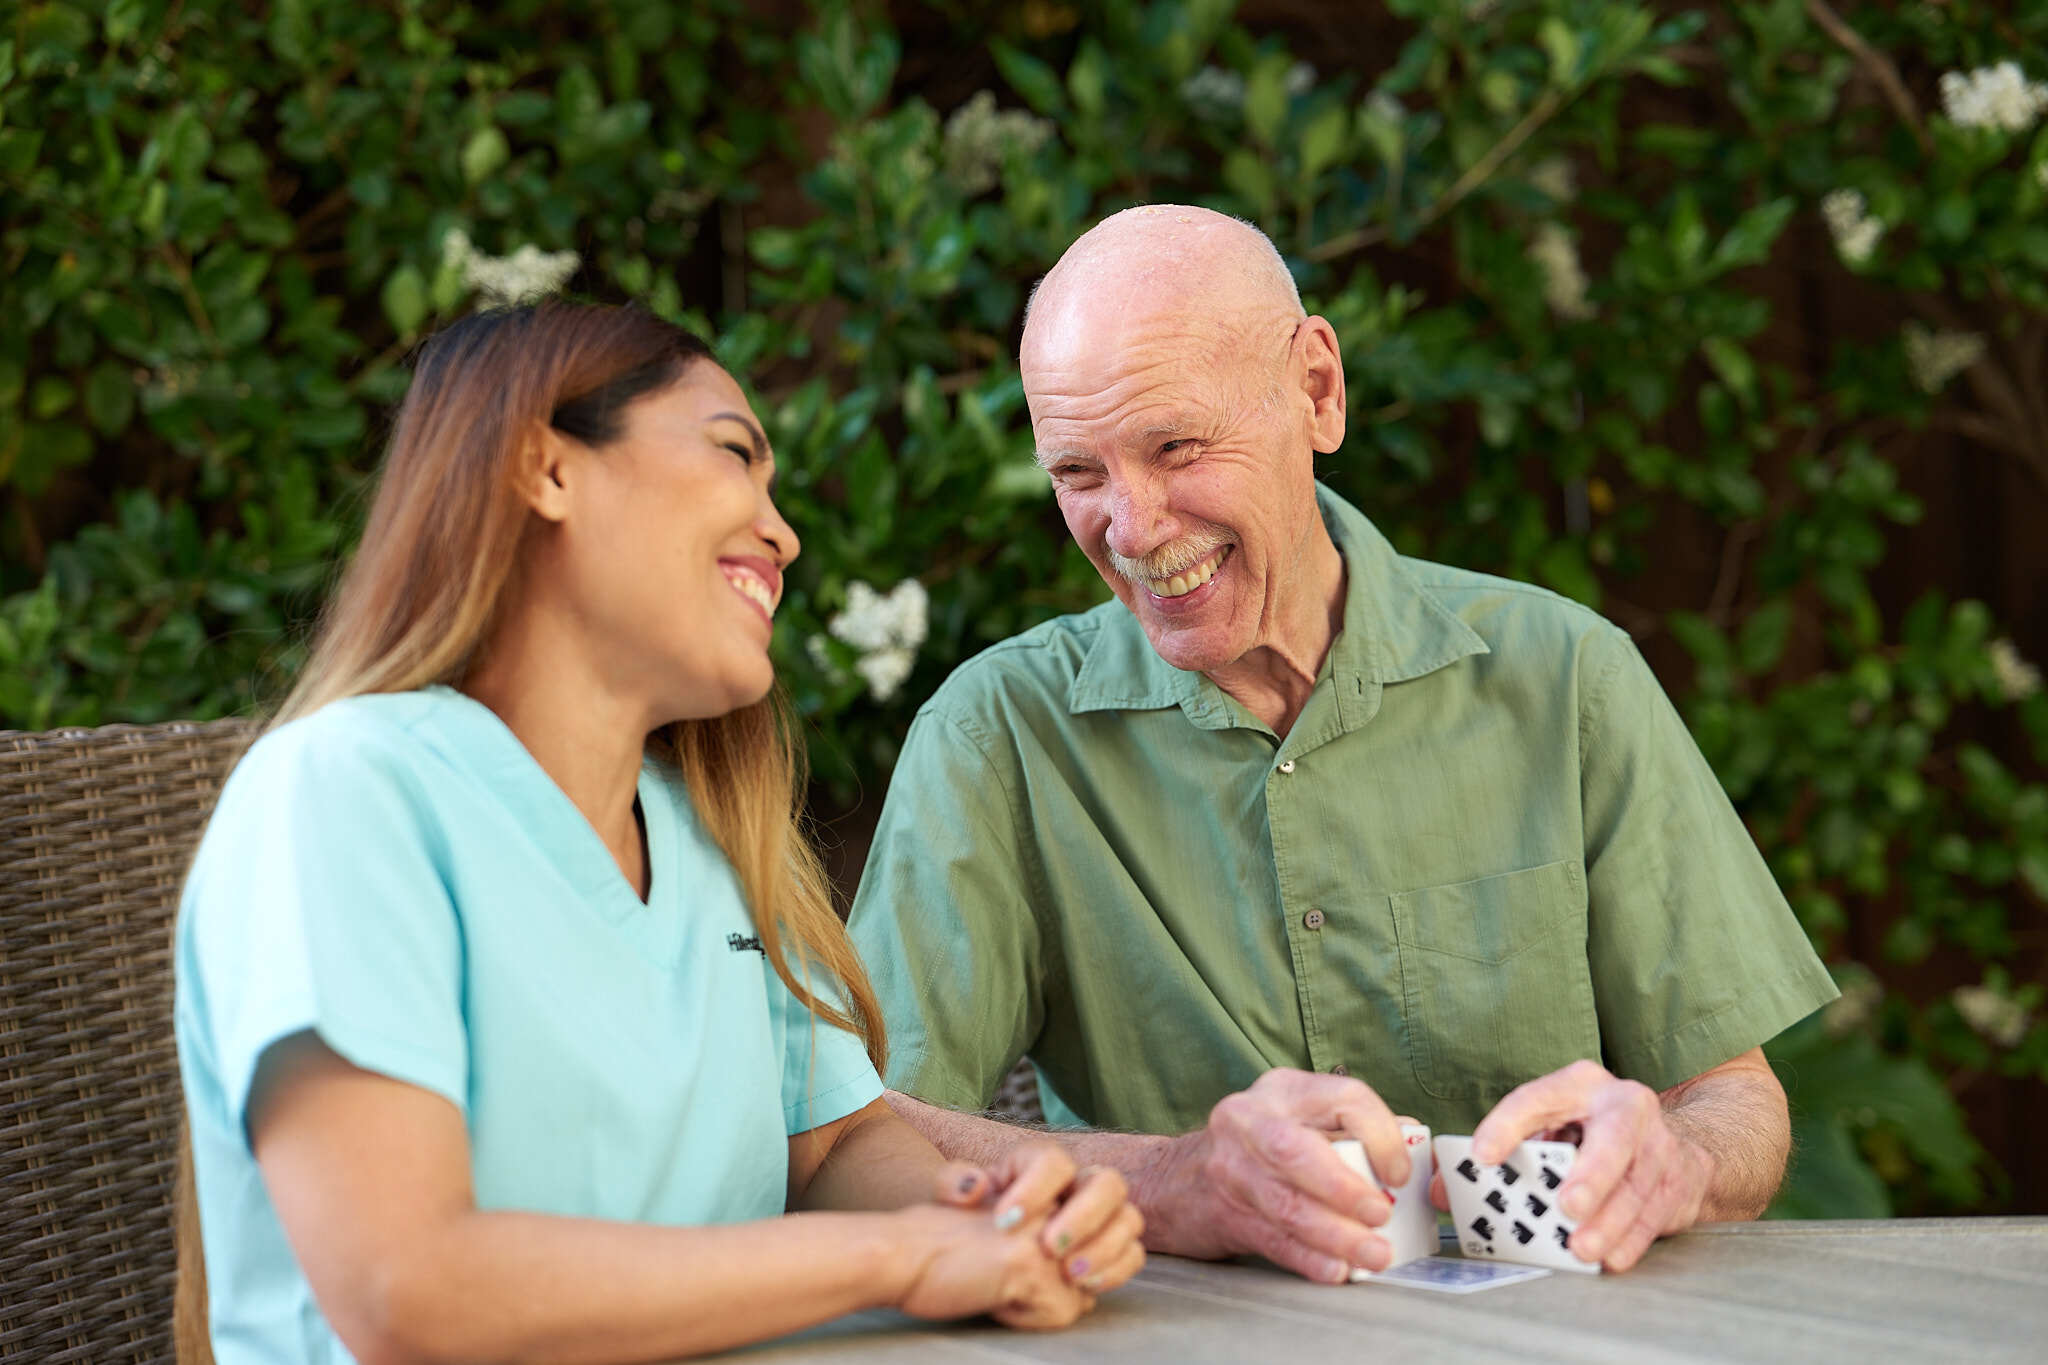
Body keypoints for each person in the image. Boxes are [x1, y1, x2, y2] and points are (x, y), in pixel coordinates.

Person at [847, 206, 1839, 1283]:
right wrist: (1176, 1181)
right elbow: (865, 1133)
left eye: (1174, 446)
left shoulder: (1563, 676)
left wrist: (1678, 1161)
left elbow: (1733, 1097)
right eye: (1077, 474)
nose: (1127, 530)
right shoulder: (996, 732)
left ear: (1316, 390)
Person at [172, 301, 1144, 1365]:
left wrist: (982, 1215)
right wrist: (898, 1259)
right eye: (735, 454)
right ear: (543, 469)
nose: (784, 533)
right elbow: (410, 1291)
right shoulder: (345, 792)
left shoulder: (707, 832)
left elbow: (829, 1148)